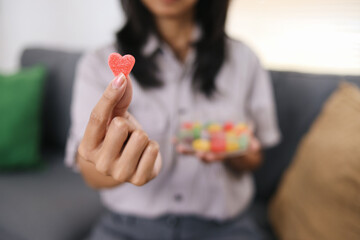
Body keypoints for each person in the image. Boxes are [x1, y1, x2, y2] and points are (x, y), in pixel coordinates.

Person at [65, 0, 281, 239]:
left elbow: (255, 157)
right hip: (128, 227)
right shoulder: (97, 64)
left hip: (225, 228)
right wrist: (110, 163)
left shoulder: (244, 59)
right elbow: (89, 170)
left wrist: (233, 149)